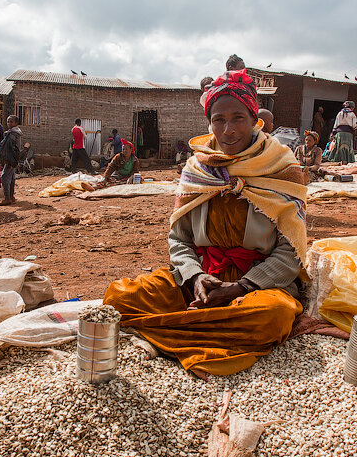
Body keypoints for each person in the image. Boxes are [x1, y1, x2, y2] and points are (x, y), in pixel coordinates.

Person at [103, 68, 306, 377]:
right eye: (218, 119)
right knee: (119, 297)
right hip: (202, 281)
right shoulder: (197, 168)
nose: (228, 130)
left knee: (273, 316)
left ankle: (168, 331)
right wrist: (196, 278)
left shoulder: (283, 168)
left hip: (257, 284)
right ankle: (206, 323)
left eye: (238, 117)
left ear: (255, 119)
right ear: (209, 122)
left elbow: (291, 250)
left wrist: (240, 287)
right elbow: (179, 238)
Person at [0, 115, 21, 205]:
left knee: (4, 176)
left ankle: (7, 198)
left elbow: (9, 148)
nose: (9, 123)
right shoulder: (15, 133)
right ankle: (11, 196)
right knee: (11, 177)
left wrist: (4, 157)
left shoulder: (12, 134)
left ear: (16, 123)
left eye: (11, 122)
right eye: (8, 122)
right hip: (14, 158)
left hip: (11, 158)